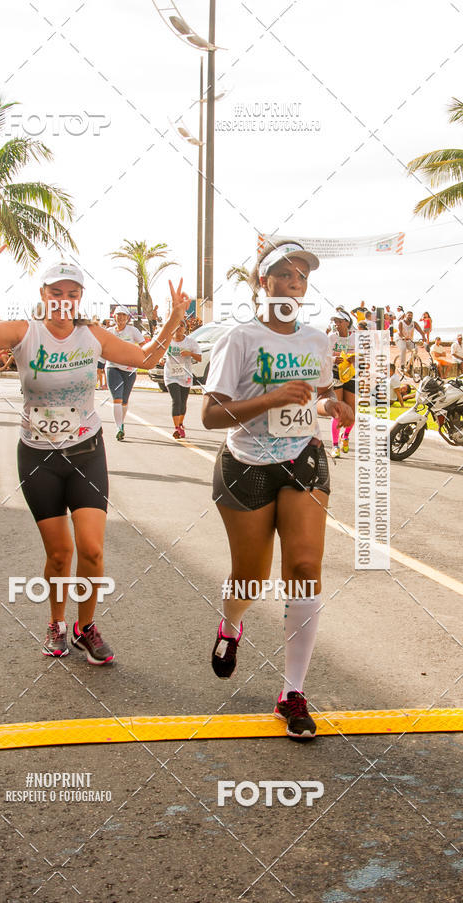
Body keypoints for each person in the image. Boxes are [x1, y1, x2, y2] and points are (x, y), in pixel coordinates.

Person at [0, 238, 189, 661]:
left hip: (86, 451)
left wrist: (171, 320)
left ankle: (86, 626)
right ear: (43, 295)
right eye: (56, 292)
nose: (64, 300)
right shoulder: (25, 332)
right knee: (60, 555)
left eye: (72, 293)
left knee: (93, 550)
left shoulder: (91, 334)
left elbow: (144, 359)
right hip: (38, 457)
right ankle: (57, 623)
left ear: (81, 297)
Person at [202, 241, 353, 741]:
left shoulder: (316, 339)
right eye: (285, 275)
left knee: (305, 568)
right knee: (249, 578)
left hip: (302, 458)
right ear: (262, 283)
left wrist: (333, 407)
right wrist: (269, 398)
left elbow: (323, 393)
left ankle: (292, 693)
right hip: (247, 464)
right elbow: (209, 415)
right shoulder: (239, 338)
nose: (295, 283)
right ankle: (231, 625)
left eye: (302, 277)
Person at [105, 306, 146, 440]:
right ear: (114, 317)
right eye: (118, 315)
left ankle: (121, 423)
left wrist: (142, 360)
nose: (121, 318)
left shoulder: (133, 331)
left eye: (124, 315)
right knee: (117, 398)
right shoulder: (109, 332)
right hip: (113, 367)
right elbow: (102, 348)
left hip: (129, 370)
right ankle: (119, 428)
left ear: (128, 318)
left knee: (124, 401)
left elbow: (143, 346)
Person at [162, 321, 201, 438]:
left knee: (183, 402)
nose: (179, 328)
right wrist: (161, 359)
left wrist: (190, 353)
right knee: (176, 401)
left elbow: (199, 357)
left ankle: (180, 424)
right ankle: (177, 428)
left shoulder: (190, 342)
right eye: (176, 326)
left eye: (181, 326)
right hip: (170, 375)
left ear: (185, 329)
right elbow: (160, 353)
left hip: (185, 375)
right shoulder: (167, 341)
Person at [328, 311, 356, 458]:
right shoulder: (331, 337)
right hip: (335, 374)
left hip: (351, 375)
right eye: (335, 322)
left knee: (352, 412)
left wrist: (354, 358)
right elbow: (323, 355)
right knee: (337, 409)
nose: (336, 324)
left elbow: (364, 355)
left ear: (347, 322)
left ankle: (345, 436)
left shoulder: (355, 338)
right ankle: (335, 446)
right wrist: (333, 359)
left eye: (339, 321)